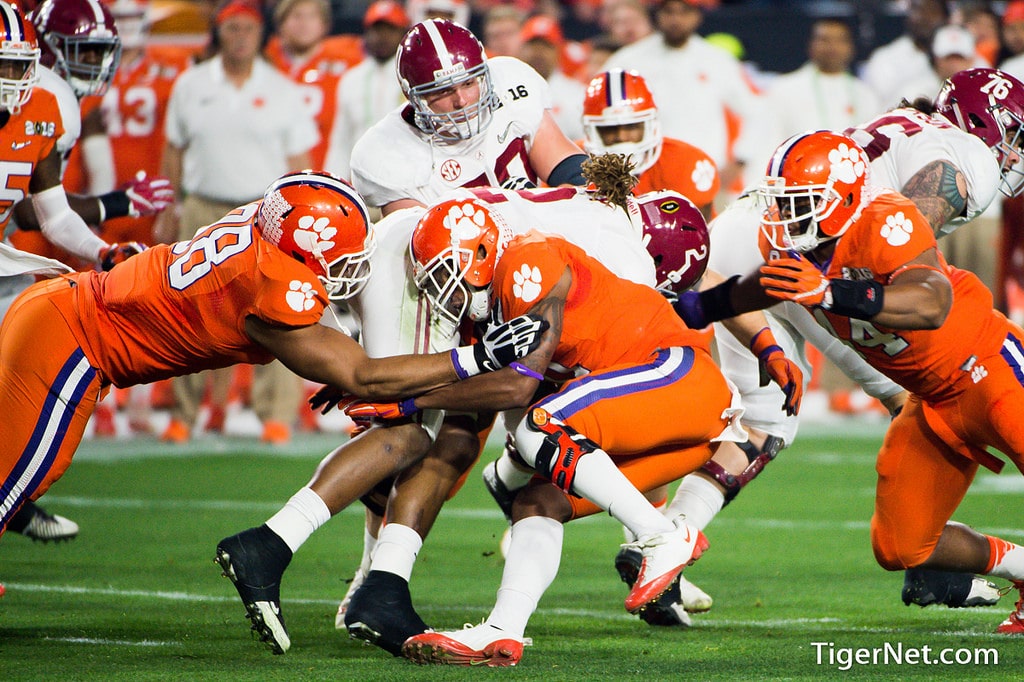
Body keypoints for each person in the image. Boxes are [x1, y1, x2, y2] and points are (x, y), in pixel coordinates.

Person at [0, 169, 546, 547]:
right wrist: (478, 357)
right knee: (14, 485)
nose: (351, 268)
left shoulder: (263, 226)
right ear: (302, 250)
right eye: (341, 257)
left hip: (62, 314)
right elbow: (365, 376)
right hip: (71, 339)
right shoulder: (272, 284)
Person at [674, 129, 1024, 636]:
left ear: (840, 199)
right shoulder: (800, 249)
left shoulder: (886, 219)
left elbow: (932, 303)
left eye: (798, 203)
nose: (782, 217)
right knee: (902, 547)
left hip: (989, 369)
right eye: (779, 202)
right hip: (932, 401)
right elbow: (721, 301)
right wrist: (667, 293)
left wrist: (833, 293)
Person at [392, 189, 751, 666]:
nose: (445, 293)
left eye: (446, 275)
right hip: (684, 430)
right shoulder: (499, 304)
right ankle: (502, 630)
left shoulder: (529, 258)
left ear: (479, 254)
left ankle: (662, 536)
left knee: (541, 427)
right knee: (536, 501)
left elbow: (518, 391)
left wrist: (409, 399)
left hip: (683, 377)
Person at [154, 0, 318, 445]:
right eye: (233, 28)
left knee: (282, 309)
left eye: (248, 28)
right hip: (202, 204)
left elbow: (300, 160)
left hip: (262, 212)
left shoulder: (282, 88)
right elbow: (173, 149)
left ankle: (277, 414)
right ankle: (183, 414)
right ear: (219, 33)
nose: (241, 36)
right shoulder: (191, 84)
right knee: (187, 310)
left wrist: (300, 215)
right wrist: (168, 207)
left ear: (262, 34)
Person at [604, 0, 767, 195]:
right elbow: (600, 112)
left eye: (684, 12)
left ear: (697, 16)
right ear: (657, 15)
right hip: (645, 177)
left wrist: (740, 161)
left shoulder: (717, 60)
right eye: (669, 12)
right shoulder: (629, 60)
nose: (676, 19)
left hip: (704, 174)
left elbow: (757, 110)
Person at [581, 68, 718, 218]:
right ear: (593, 130)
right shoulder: (570, 163)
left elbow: (700, 235)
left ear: (649, 124)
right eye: (609, 128)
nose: (621, 136)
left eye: (631, 126)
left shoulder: (685, 162)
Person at [264, 0, 363, 171]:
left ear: (325, 24)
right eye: (296, 16)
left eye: (311, 16)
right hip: (271, 168)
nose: (304, 24)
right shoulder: (264, 61)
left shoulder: (347, 58)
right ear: (280, 23)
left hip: (329, 167)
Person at [323, 0, 409, 180]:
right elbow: (341, 140)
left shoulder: (414, 75)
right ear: (366, 33)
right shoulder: (351, 79)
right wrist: (332, 181)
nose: (382, 37)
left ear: (403, 34)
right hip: (361, 180)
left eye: (390, 30)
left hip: (405, 177)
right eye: (377, 30)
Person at [764, 17, 881, 142]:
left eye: (840, 40)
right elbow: (770, 140)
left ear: (851, 47)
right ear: (811, 44)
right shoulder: (784, 89)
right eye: (824, 40)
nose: (832, 47)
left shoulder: (865, 94)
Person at [861, 0, 950, 108]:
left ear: (946, 18)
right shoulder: (884, 58)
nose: (925, 17)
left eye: (933, 11)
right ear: (908, 15)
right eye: (918, 10)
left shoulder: (962, 55)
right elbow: (874, 108)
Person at [517, 15, 584, 141]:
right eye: (533, 46)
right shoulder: (507, 88)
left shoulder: (576, 93)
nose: (538, 53)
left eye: (545, 47)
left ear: (558, 51)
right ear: (521, 49)